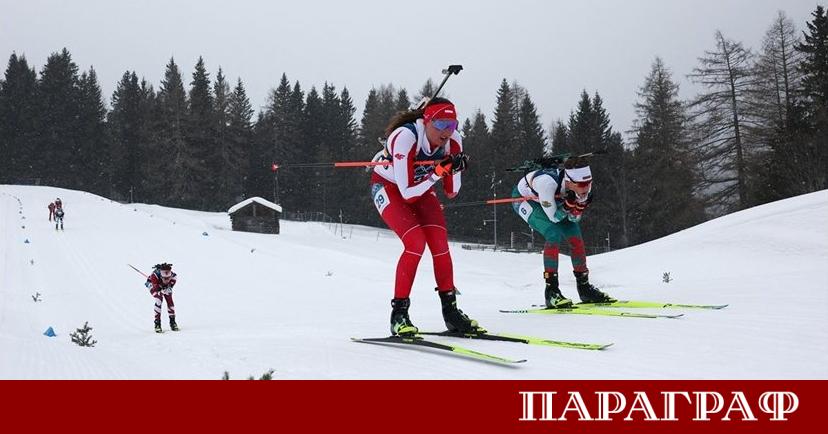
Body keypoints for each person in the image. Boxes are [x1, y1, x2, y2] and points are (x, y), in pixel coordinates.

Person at [370, 97, 484, 336]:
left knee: (440, 245)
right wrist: (436, 173)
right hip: (390, 187)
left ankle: (451, 311)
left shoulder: (453, 141)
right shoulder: (405, 137)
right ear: (426, 121)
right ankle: (399, 314)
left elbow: (452, 192)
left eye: (452, 125)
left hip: (420, 188)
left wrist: (453, 169)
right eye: (441, 125)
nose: (447, 132)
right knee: (415, 244)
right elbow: (407, 193)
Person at [510, 157, 616, 308]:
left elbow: (574, 220)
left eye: (588, 183)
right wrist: (568, 206)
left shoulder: (581, 185)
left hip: (555, 201)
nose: (585, 188)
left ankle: (584, 288)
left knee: (575, 237)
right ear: (569, 181)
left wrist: (577, 208)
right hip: (525, 199)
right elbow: (553, 218)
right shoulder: (546, 184)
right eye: (581, 185)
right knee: (553, 234)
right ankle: (551, 291)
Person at [145, 263, 178, 332]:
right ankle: (157, 323)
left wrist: (169, 287)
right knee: (159, 299)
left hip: (163, 287)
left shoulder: (173, 276)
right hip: (153, 285)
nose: (167, 280)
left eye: (168, 278)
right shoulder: (154, 276)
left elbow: (173, 281)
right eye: (164, 278)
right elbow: (156, 289)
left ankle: (172, 322)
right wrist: (161, 290)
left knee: (170, 300)